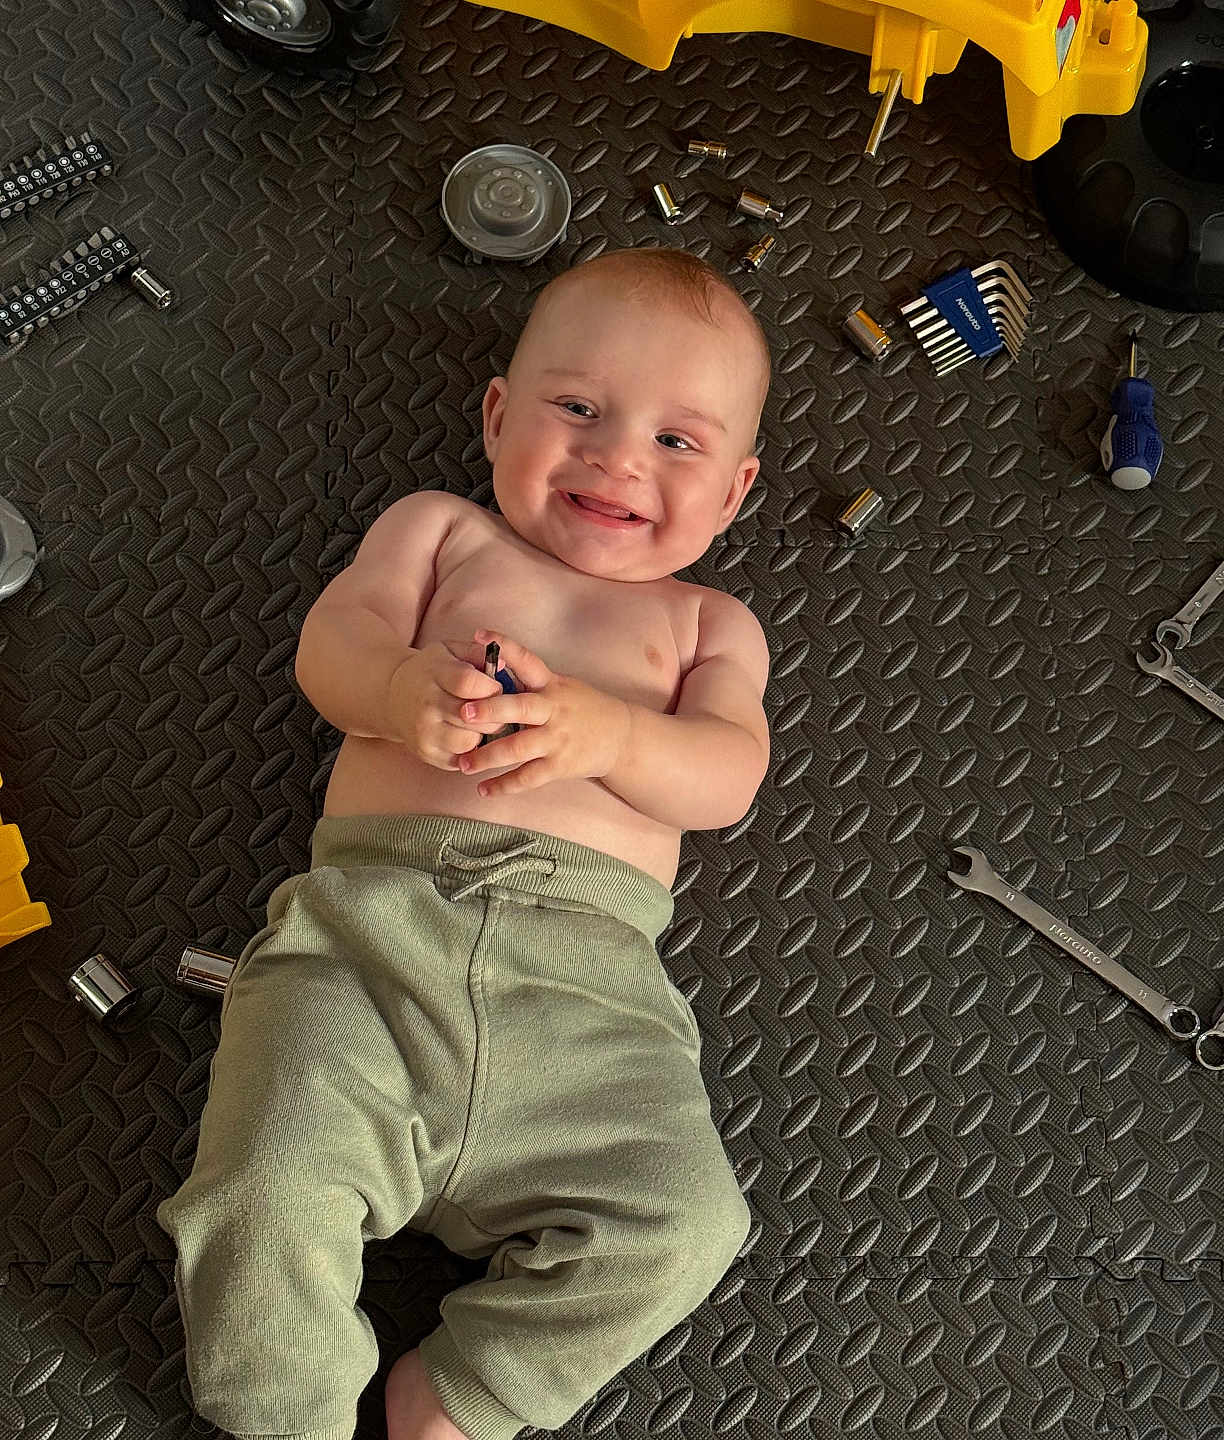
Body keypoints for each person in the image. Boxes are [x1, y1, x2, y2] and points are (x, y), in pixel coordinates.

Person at [156, 246, 773, 1440]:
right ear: (498, 416)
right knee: (260, 1182)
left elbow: (725, 776)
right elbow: (333, 646)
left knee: (691, 1223)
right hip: (370, 949)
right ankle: (285, 1411)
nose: (616, 457)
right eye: (579, 408)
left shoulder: (710, 624)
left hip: (590, 1004)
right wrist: (398, 695)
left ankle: (459, 1399)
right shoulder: (442, 533)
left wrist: (605, 733)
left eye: (677, 444)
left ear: (736, 492)